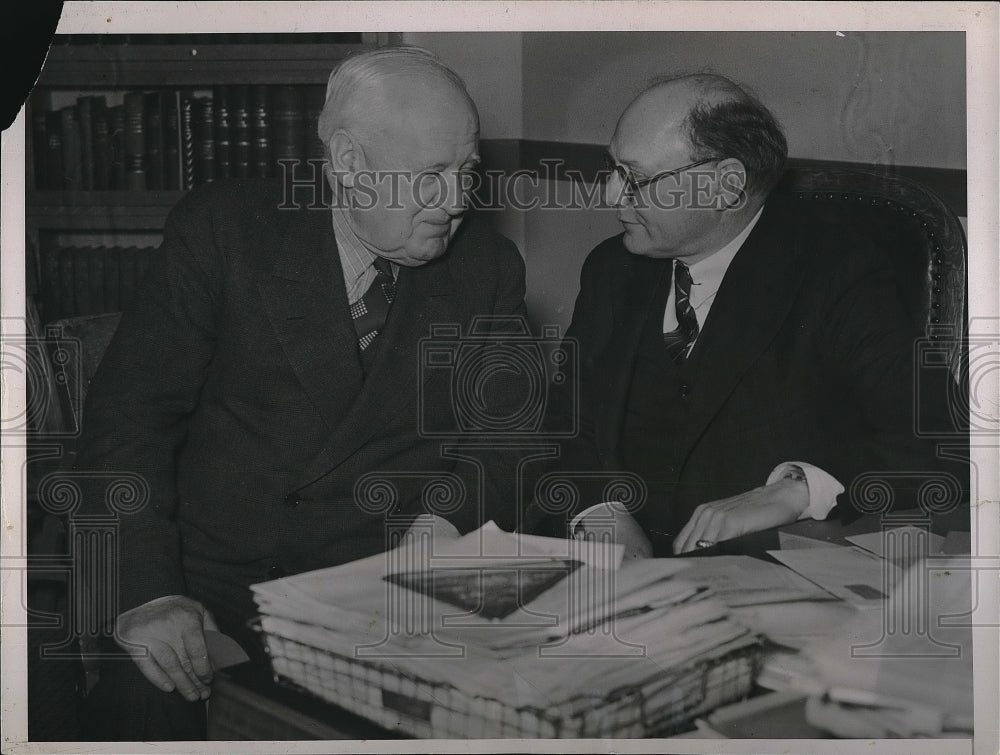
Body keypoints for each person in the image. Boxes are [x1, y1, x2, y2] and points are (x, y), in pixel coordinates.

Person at [75, 47, 527, 740]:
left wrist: (444, 525)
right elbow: (128, 420)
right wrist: (147, 591)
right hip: (210, 589)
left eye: (466, 173)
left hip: (382, 594)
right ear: (348, 161)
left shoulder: (487, 267)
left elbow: (504, 434)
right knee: (146, 711)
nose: (458, 201)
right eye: (432, 174)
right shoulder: (226, 231)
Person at [528, 73, 965, 558]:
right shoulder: (612, 269)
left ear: (726, 185)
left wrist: (794, 489)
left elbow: (943, 445)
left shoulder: (838, 273)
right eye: (612, 168)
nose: (611, 195)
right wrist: (599, 513)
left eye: (637, 177)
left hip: (768, 577)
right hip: (621, 577)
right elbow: (565, 425)